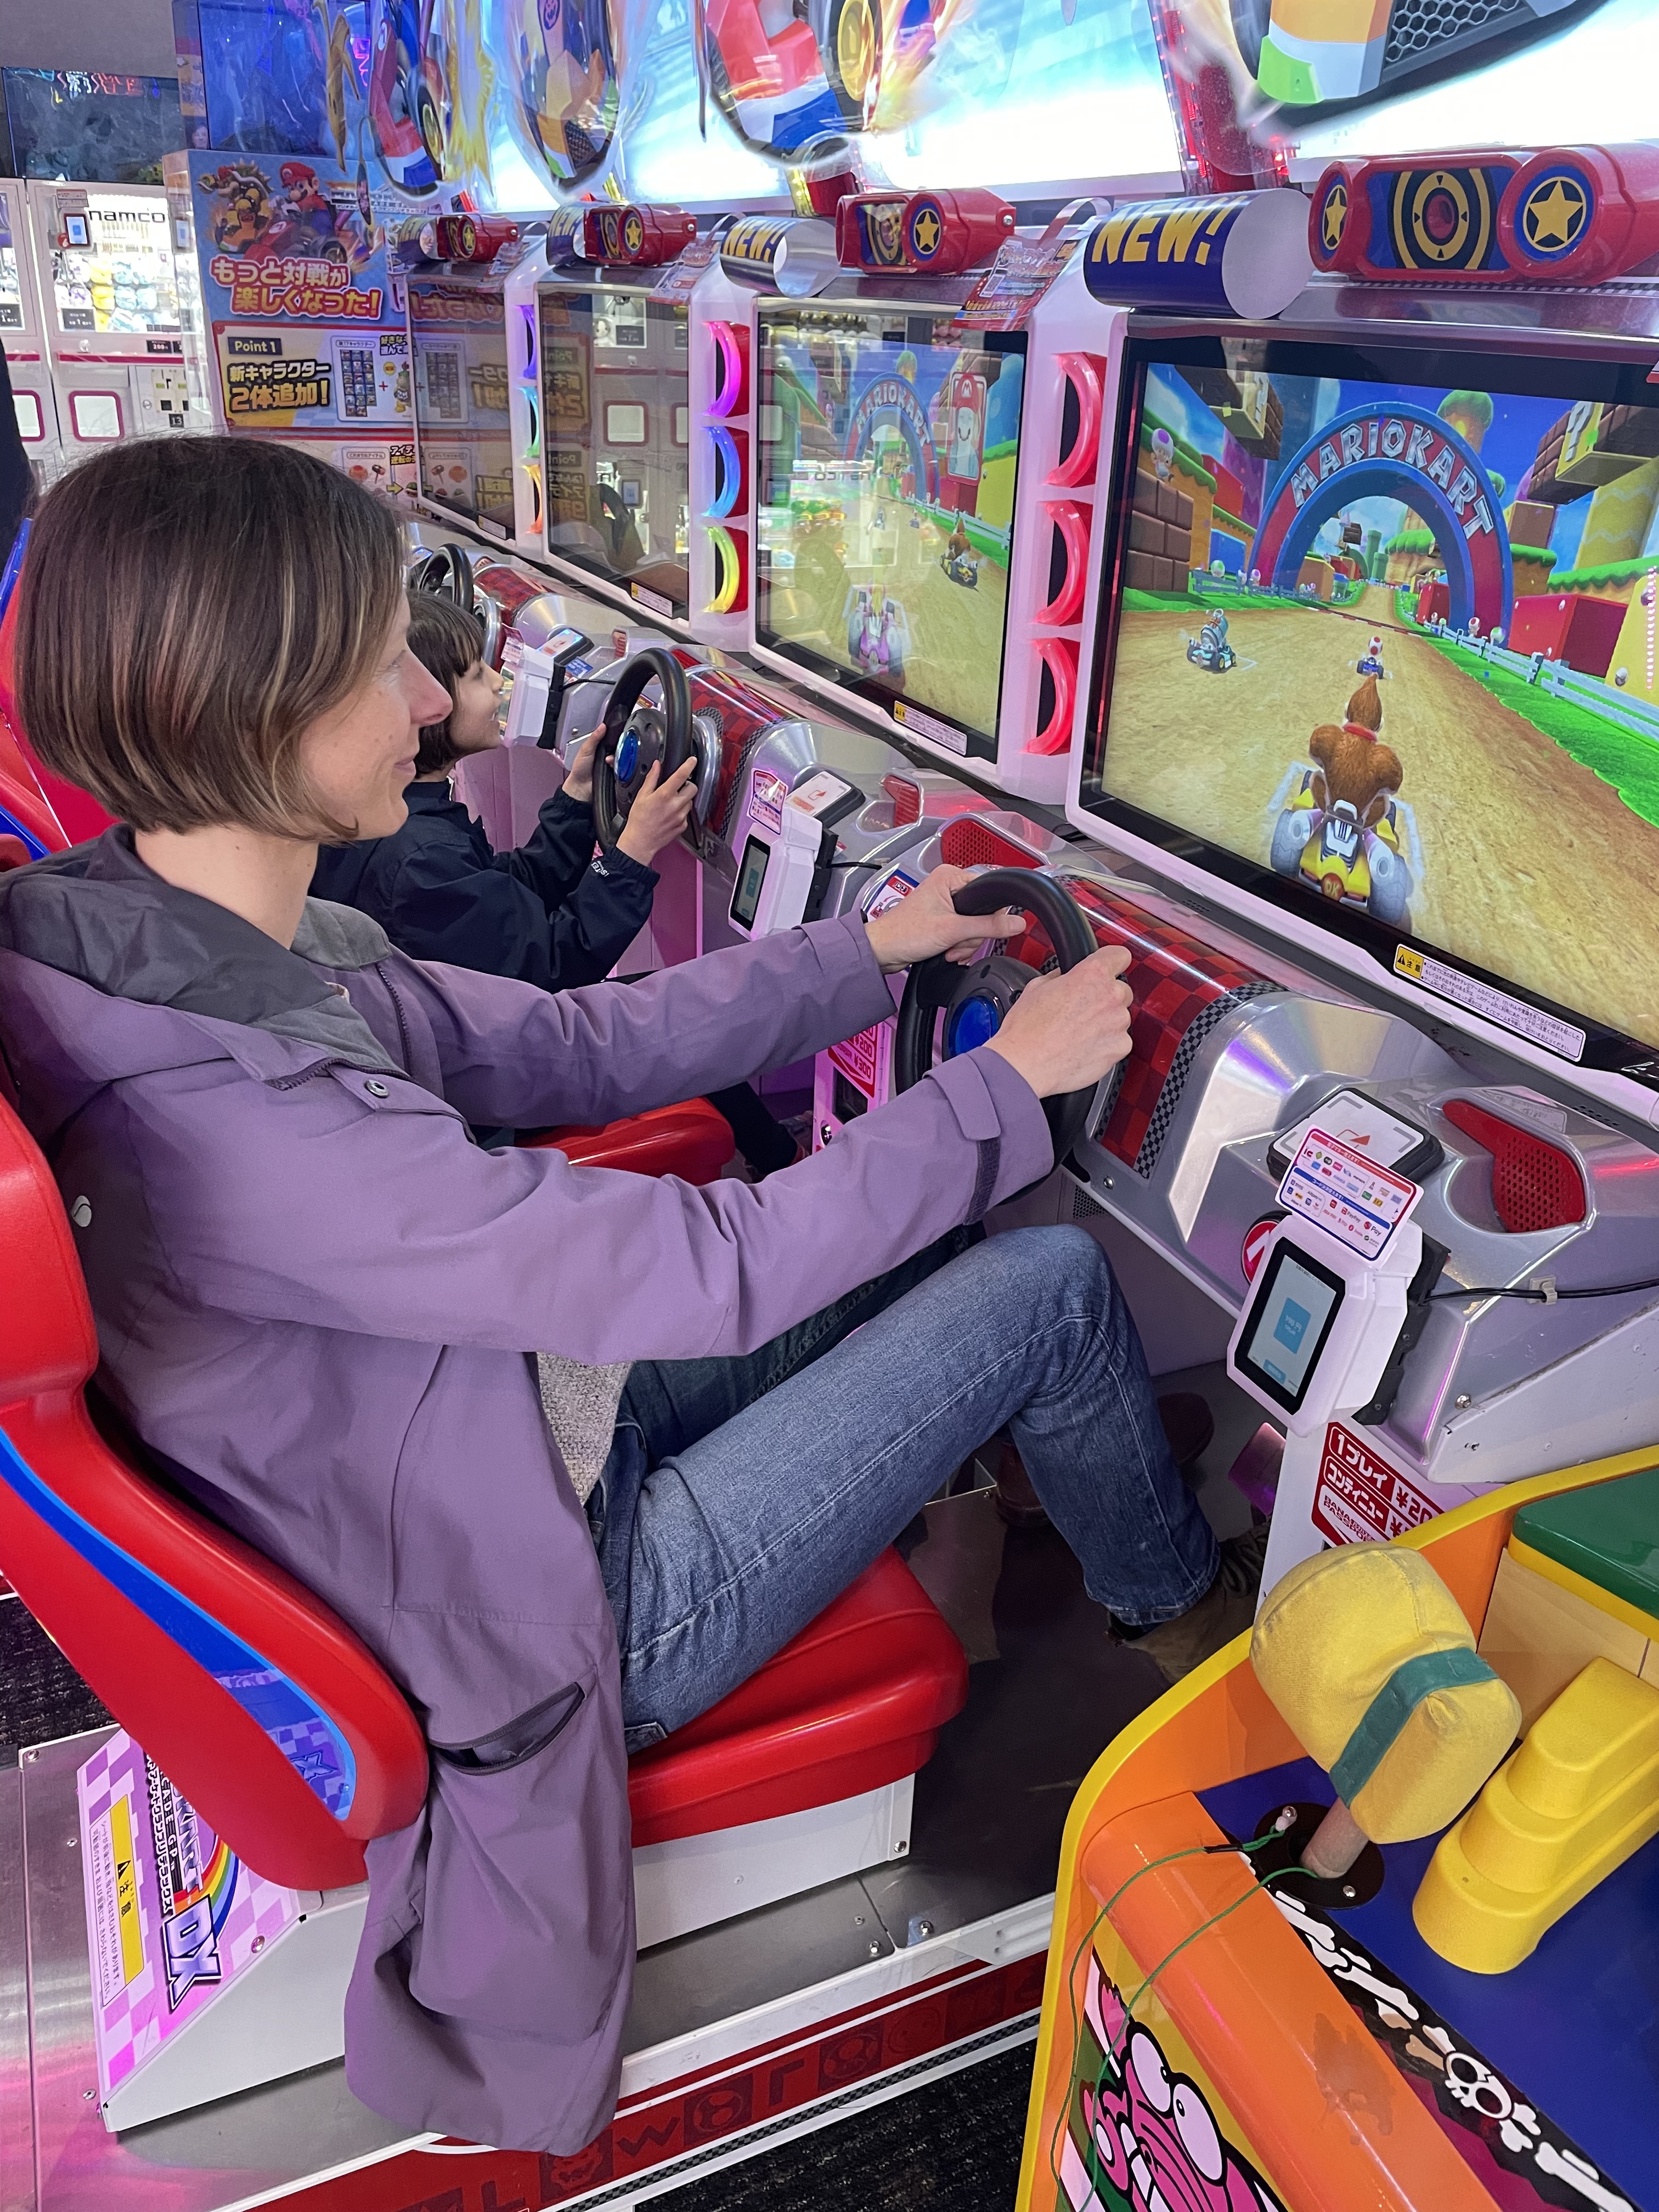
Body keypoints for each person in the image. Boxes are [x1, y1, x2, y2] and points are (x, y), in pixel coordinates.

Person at [0, 438, 1262, 2158]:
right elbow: (708, 1269)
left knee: (941, 1239)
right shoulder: (235, 1118)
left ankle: (1074, 1484)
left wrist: (869, 950)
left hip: (479, 1446)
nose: (428, 697)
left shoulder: (173, 948)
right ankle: (1195, 1649)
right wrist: (1001, 1085)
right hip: (541, 1610)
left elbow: (575, 1043)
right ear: (249, 710)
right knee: (1045, 1280)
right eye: (379, 664)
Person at [312, 590, 800, 1175]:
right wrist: (633, 852)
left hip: (471, 1048)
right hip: (490, 1086)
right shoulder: (418, 858)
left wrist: (576, 801)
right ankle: (784, 1166)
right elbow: (552, 969)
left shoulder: (407, 818)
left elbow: (507, 905)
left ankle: (776, 1154)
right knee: (688, 1014)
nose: (498, 680)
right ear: (426, 704)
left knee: (679, 1001)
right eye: (476, 675)